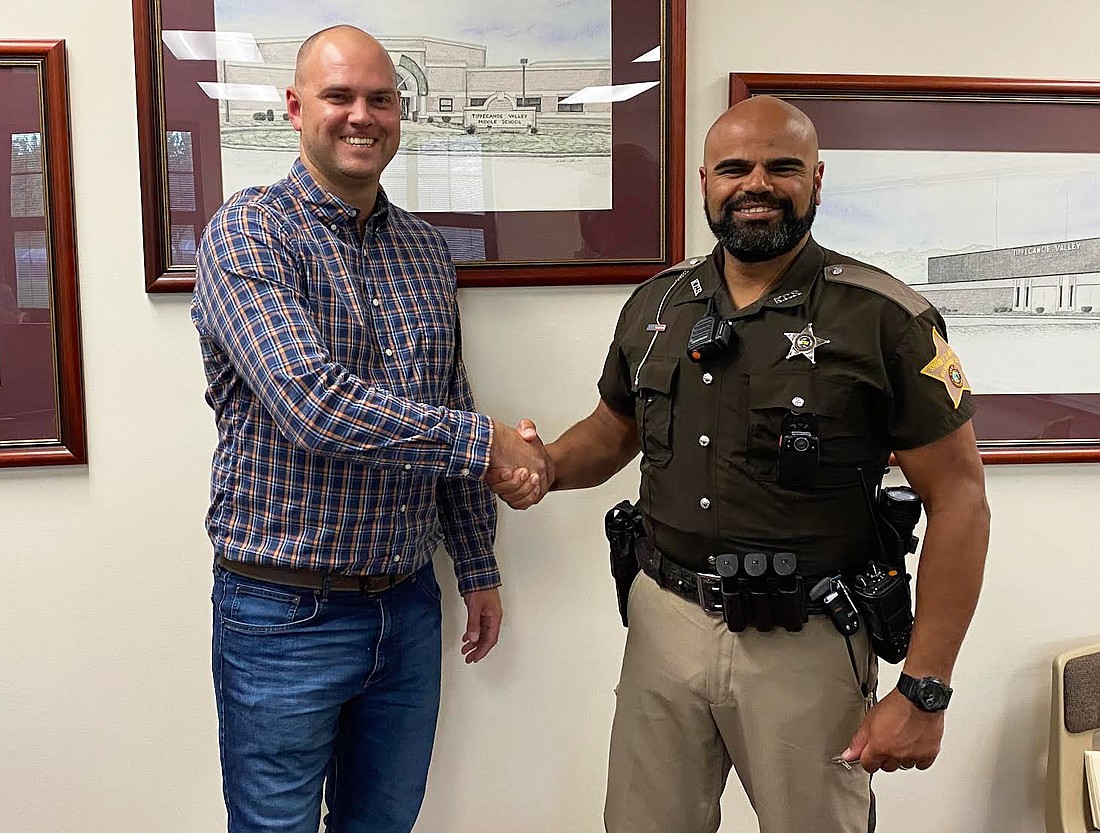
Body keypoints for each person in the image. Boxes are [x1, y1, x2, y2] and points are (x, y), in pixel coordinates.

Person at [493, 95, 990, 833]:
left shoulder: (884, 316)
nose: (755, 183)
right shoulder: (656, 305)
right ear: (705, 183)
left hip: (808, 639)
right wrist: (544, 466)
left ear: (817, 179)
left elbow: (960, 500)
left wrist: (925, 689)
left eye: (781, 166)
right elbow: (612, 427)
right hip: (663, 624)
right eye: (735, 168)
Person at [191, 25, 551, 833]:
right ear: (294, 108)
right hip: (282, 613)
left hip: (407, 604)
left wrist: (478, 563)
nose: (362, 115)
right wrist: (490, 443)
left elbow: (447, 396)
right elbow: (314, 404)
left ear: (401, 111)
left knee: (385, 824)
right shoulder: (248, 232)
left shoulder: (427, 250)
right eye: (339, 96)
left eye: (380, 99)